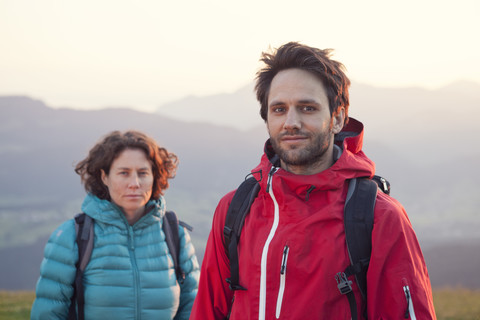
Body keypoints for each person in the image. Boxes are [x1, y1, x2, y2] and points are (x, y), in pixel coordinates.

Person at [190, 42, 436, 319]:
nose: (291, 122)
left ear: (338, 118)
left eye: (307, 108)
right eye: (279, 109)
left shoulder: (379, 216)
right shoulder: (234, 209)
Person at [31, 130, 199, 320]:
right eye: (124, 173)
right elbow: (48, 314)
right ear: (104, 177)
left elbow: (193, 310)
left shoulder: (175, 235)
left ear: (154, 177)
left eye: (143, 173)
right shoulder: (72, 236)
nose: (134, 183)